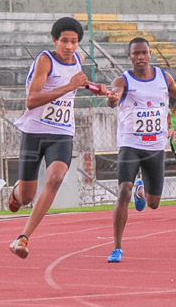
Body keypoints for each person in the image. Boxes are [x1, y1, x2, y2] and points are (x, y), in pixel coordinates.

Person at [105, 37, 176, 263]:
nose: (140, 57)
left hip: (155, 147)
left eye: (143, 53)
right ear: (129, 56)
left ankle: (141, 190)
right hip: (130, 144)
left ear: (150, 54)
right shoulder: (124, 80)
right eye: (135, 53)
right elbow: (114, 96)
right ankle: (117, 247)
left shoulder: (163, 78)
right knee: (122, 192)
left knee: (153, 203)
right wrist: (112, 99)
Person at [8, 17, 107, 259]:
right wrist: (69, 86)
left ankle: (23, 237)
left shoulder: (78, 60)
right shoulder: (45, 60)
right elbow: (31, 101)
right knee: (26, 196)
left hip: (62, 131)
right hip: (34, 131)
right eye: (64, 41)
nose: (69, 46)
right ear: (55, 40)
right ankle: (15, 193)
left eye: (74, 42)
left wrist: (97, 89)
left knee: (55, 178)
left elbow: (77, 83)